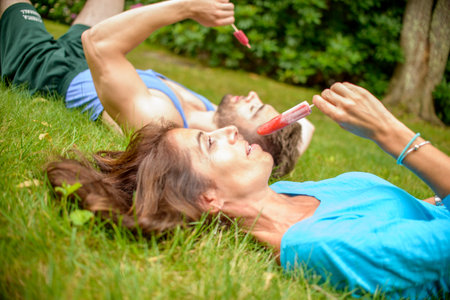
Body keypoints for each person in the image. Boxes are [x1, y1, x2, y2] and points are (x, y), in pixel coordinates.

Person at [47, 82, 450, 298]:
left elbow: (421, 210)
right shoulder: (321, 245)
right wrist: (392, 134)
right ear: (209, 199)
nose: (225, 130)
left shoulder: (289, 190)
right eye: (208, 143)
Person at [0, 0, 315, 177]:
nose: (254, 97)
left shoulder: (162, 122)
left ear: (240, 137)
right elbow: (305, 125)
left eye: (256, 109)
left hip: (48, 71)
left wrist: (188, 8)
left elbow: (97, 43)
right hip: (86, 58)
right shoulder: (213, 114)